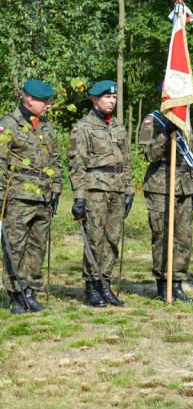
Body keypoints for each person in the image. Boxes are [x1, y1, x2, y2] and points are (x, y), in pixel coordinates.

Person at [68, 81, 133, 308]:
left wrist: (130, 188)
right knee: (94, 240)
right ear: (95, 99)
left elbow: (126, 161)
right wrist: (79, 197)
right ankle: (91, 287)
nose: (111, 101)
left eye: (114, 98)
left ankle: (105, 284)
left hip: (117, 188)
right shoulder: (83, 126)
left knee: (113, 239)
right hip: (94, 190)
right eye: (107, 97)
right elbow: (77, 164)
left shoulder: (118, 126)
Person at [0, 79, 61, 314]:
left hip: (43, 197)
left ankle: (30, 293)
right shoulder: (9, 124)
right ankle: (15, 295)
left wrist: (56, 189)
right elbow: (2, 162)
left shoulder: (46, 125)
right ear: (30, 100)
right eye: (45, 101)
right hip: (17, 196)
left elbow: (56, 159)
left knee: (37, 246)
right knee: (14, 247)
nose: (48, 106)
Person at [138, 103, 193, 303]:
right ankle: (163, 284)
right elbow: (149, 155)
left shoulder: (184, 121)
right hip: (160, 186)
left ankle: (177, 284)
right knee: (162, 236)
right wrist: (164, 134)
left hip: (184, 187)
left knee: (183, 239)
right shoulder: (152, 122)